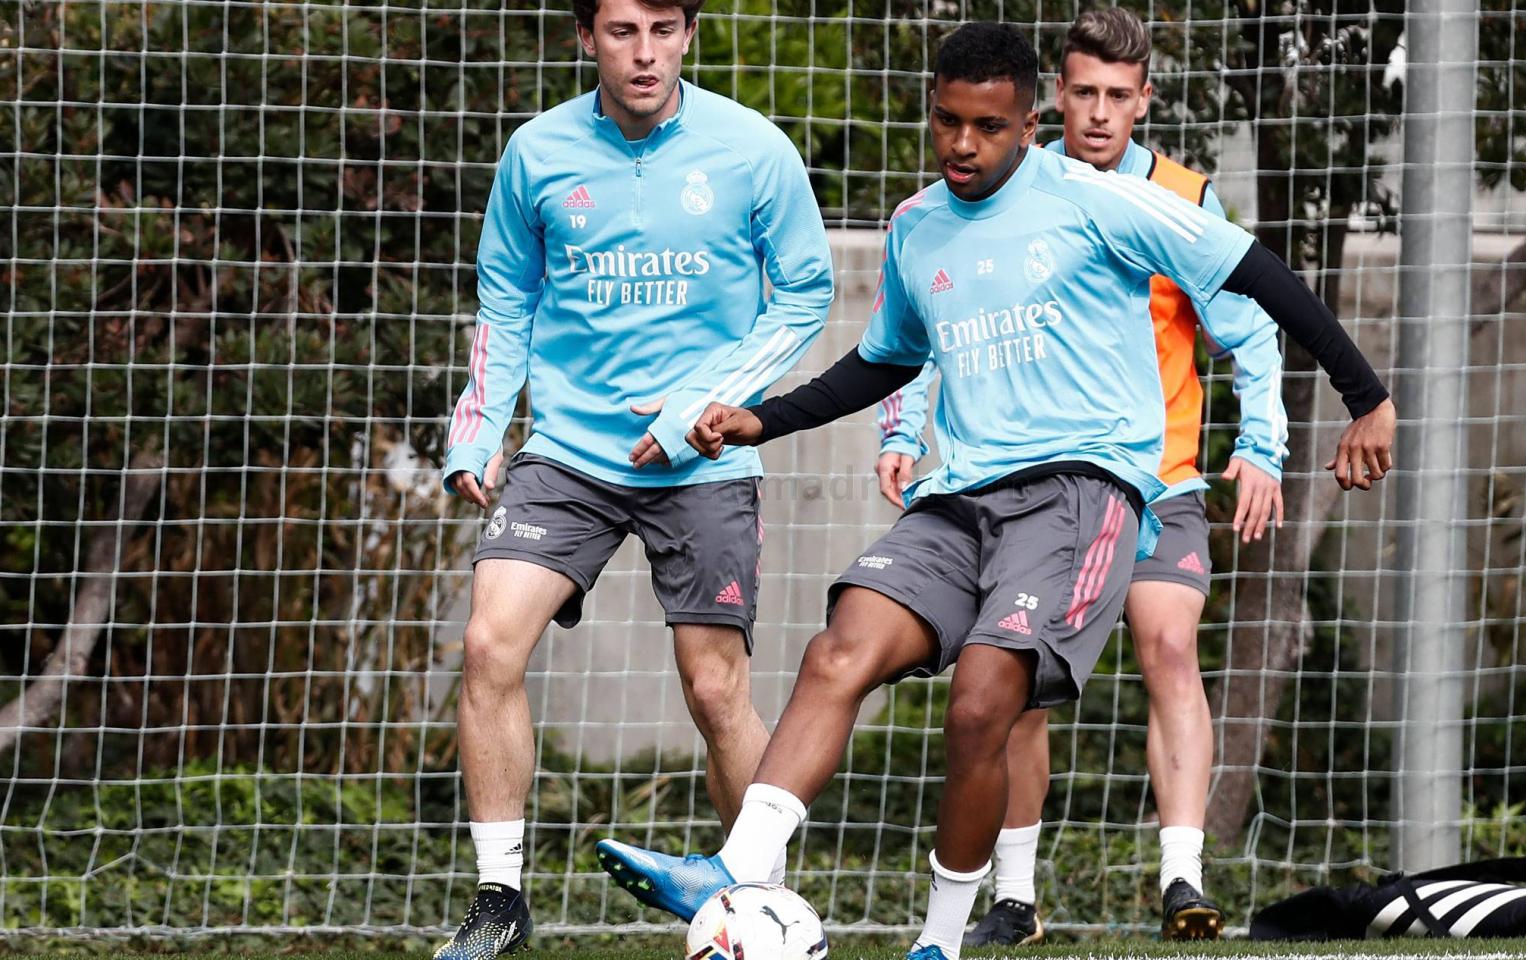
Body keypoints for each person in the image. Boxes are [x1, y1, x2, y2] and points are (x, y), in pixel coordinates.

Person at [596, 22, 1394, 960]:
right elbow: (884, 361)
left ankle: (941, 941)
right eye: (947, 122)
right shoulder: (917, 225)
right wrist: (759, 419)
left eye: (988, 127)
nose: (964, 145)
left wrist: (1366, 397)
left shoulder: (1100, 201)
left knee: (982, 702)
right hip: (960, 499)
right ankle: (736, 866)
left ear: (1029, 124)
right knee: (838, 649)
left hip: (1081, 493)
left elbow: (1257, 273)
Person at [871, 7, 1380, 943]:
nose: (1099, 113)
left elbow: (1248, 327)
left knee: (1169, 646)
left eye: (1118, 95)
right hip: (1031, 487)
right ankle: (1015, 898)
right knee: (1014, 679)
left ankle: (1182, 879)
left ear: (1145, 100)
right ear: (1052, 101)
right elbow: (933, 323)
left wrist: (1261, 446)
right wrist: (902, 427)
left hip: (1161, 481)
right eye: (1083, 93)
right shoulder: (1004, 189)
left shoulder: (1180, 198)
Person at [435, 0, 833, 952]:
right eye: (622, 31)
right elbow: (506, 300)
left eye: (663, 29)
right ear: (587, 37)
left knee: (715, 691)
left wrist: (704, 404)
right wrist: (478, 429)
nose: (644, 53)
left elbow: (805, 293)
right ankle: (499, 902)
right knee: (489, 645)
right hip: (569, 454)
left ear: (689, 33)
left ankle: (761, 911)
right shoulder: (536, 153)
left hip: (705, 457)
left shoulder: (754, 149)